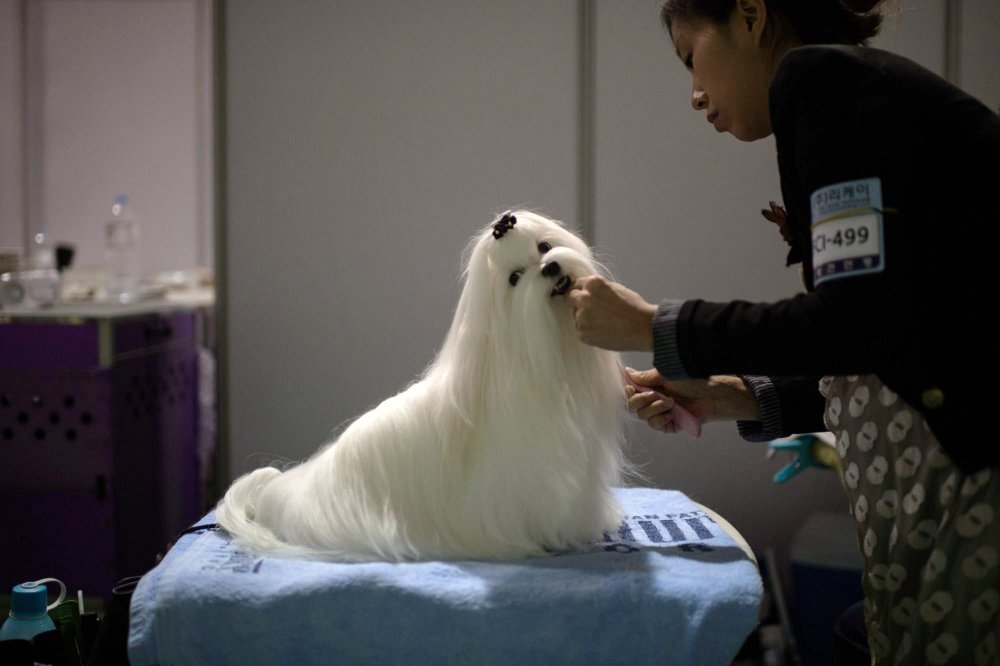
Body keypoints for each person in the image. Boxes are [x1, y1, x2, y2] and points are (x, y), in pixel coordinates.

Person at [566, 0, 1000, 664]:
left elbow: (854, 321)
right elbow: (891, 339)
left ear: (750, 15)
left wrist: (656, 326)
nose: (694, 95)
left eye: (692, 58)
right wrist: (733, 395)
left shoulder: (823, 80)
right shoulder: (862, 93)